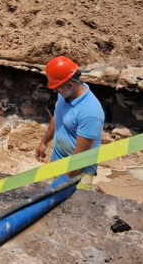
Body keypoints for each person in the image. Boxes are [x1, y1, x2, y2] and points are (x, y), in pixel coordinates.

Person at [35, 56, 105, 191]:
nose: (54, 90)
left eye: (57, 87)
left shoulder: (90, 112)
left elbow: (80, 158)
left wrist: (62, 182)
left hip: (78, 174)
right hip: (58, 163)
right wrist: (44, 142)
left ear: (70, 84)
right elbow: (58, 117)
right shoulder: (65, 94)